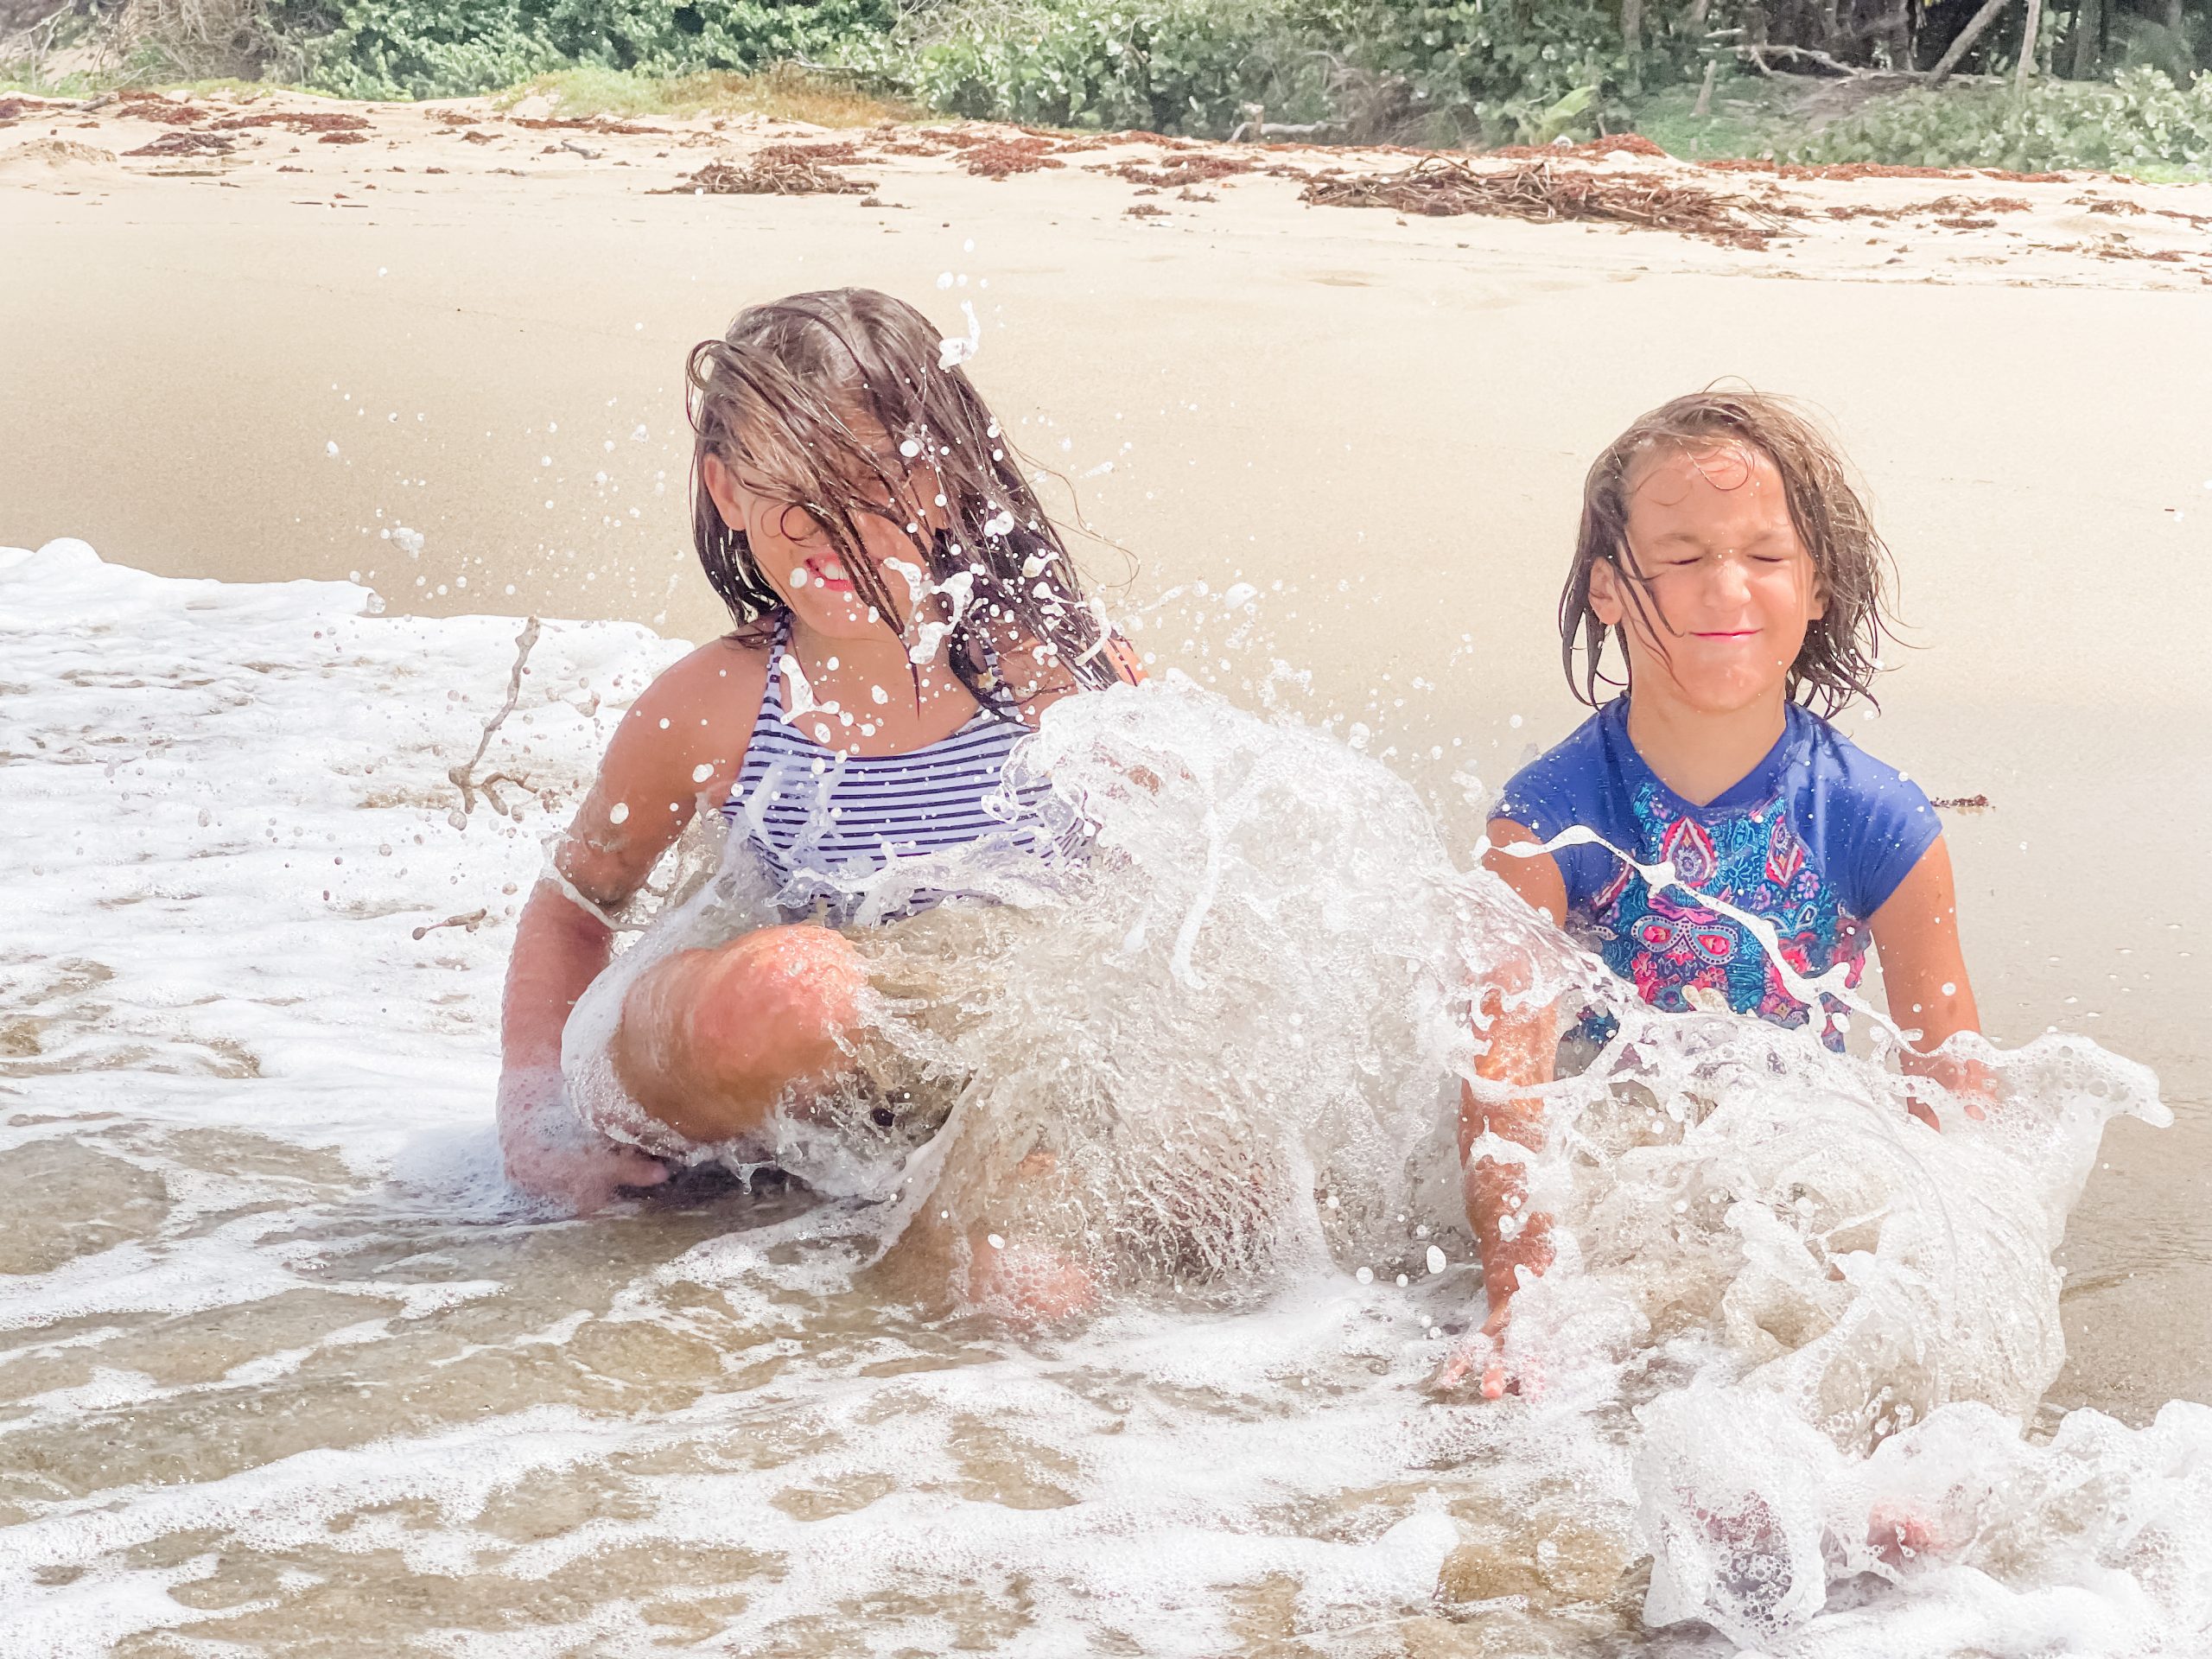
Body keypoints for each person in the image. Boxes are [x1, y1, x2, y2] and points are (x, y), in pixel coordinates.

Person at [497, 287, 1138, 1230]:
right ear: (728, 491)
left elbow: (1167, 909)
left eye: (874, 480)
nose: (834, 527)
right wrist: (533, 1126)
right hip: (730, 1048)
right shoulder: (714, 706)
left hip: (977, 1068)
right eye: (791, 487)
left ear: (949, 478)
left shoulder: (1056, 679)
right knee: (798, 989)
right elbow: (575, 900)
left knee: (1029, 1295)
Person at [1457, 391, 1981, 1395]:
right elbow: (1501, 1087)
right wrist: (1515, 1291)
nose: (1726, 589)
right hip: (1609, 1178)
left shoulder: (1880, 823)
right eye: (1684, 557)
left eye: (1766, 557)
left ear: (1817, 587)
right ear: (1609, 588)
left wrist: (1932, 1297)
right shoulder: (1547, 824)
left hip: (1794, 1182)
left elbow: (1951, 1089)